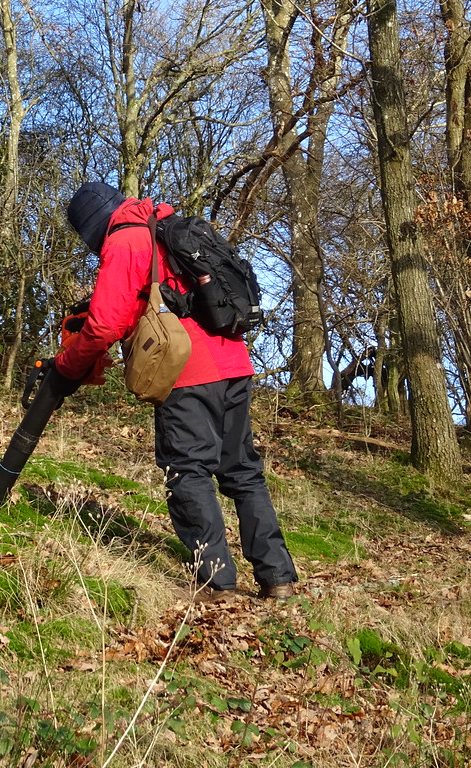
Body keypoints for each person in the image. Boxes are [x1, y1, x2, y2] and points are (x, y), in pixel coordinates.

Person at [48, 182, 298, 601]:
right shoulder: (167, 225)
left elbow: (106, 324)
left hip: (185, 370)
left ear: (91, 226)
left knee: (188, 470)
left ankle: (216, 583)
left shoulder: (125, 240)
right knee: (243, 471)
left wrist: (67, 366)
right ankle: (278, 579)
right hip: (234, 362)